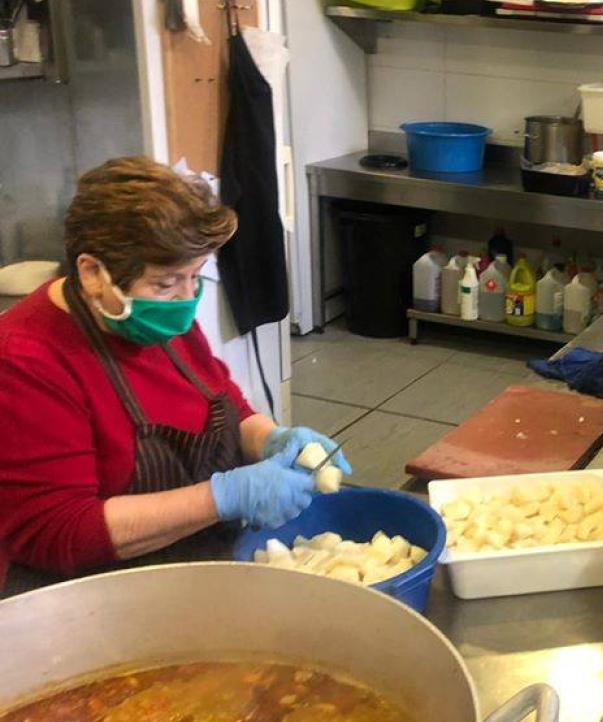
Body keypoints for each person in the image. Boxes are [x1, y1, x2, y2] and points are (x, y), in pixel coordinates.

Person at [0, 157, 349, 593]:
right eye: (166, 284)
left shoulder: (150, 315)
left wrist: (271, 438)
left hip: (195, 565)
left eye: (195, 276)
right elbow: (58, 531)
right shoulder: (25, 360)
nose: (186, 300)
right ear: (91, 273)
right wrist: (222, 498)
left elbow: (224, 402)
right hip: (101, 597)